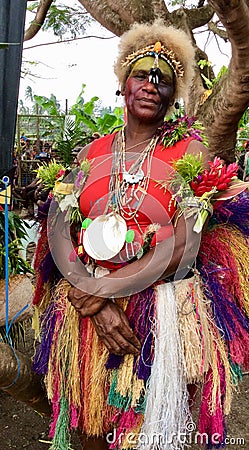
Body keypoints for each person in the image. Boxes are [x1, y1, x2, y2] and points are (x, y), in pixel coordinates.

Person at [32, 21, 249, 450]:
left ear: (174, 93)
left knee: (150, 431)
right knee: (90, 428)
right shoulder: (90, 152)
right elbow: (60, 228)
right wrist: (90, 298)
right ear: (122, 84)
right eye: (141, 74)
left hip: (161, 314)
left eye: (163, 79)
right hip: (87, 314)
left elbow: (185, 243)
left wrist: (104, 288)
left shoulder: (192, 152)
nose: (151, 84)